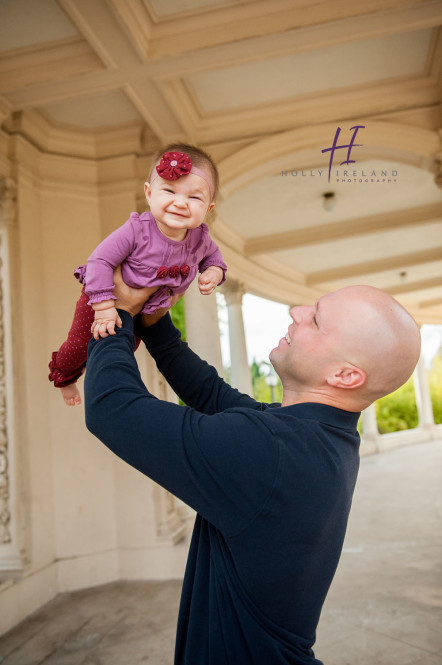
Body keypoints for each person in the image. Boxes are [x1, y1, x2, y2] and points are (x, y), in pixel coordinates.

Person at [84, 277, 421, 665]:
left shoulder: (272, 450)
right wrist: (156, 323)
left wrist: (115, 315)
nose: (296, 312)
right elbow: (212, 396)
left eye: (315, 320)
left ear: (344, 376)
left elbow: (113, 411)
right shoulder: (315, 436)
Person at [48, 143, 227, 406]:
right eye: (169, 190)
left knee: (124, 348)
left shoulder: (200, 238)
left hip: (145, 310)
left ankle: (88, 367)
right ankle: (64, 376)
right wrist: (105, 307)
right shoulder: (137, 229)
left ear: (208, 209)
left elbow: (214, 258)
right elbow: (100, 261)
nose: (180, 202)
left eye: (194, 197)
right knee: (78, 343)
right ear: (149, 193)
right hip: (101, 299)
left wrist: (213, 271)